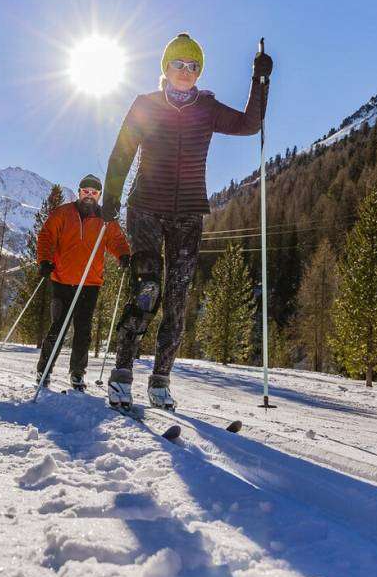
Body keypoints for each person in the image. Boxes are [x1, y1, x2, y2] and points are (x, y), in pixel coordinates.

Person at [102, 33, 273, 409]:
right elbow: (122, 152)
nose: (186, 71)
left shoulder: (207, 107)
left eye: (193, 66)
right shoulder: (146, 104)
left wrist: (260, 82)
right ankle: (121, 375)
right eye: (179, 64)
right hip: (146, 207)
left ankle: (160, 380)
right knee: (147, 292)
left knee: (178, 300)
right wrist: (110, 197)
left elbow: (249, 124)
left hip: (189, 214)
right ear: (165, 68)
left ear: (199, 72)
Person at [35, 174, 130, 390]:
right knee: (58, 327)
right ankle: (44, 369)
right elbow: (47, 236)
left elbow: (116, 240)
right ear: (79, 192)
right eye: (85, 191)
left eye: (93, 192)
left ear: (99, 195)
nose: (89, 195)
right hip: (62, 280)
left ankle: (77, 373)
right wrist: (45, 260)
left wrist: (123, 254)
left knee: (83, 331)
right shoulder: (63, 213)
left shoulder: (106, 219)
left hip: (90, 283)